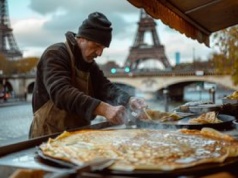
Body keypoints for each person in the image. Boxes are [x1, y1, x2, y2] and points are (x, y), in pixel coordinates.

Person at [29, 12, 148, 138]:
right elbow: (61, 92)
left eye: (103, 48)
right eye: (96, 46)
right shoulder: (55, 53)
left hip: (78, 135)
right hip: (48, 135)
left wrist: (129, 100)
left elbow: (105, 88)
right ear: (81, 38)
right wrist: (105, 109)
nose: (99, 53)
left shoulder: (89, 63)